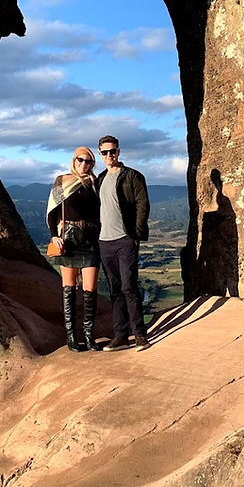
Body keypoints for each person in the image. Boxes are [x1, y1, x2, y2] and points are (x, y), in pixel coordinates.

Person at [96, 135, 151, 352]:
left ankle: (139, 334)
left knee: (129, 287)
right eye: (105, 152)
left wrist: (135, 233)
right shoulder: (99, 179)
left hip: (125, 240)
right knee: (115, 290)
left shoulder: (132, 176)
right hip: (104, 242)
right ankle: (120, 336)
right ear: (100, 154)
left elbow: (142, 204)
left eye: (113, 151)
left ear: (119, 152)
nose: (110, 155)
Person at [46, 146, 103, 351]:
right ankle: (71, 337)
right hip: (68, 239)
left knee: (90, 290)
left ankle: (89, 337)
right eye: (80, 160)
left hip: (90, 240)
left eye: (88, 162)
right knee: (68, 290)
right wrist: (54, 235)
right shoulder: (62, 181)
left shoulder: (96, 184)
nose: (84, 164)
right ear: (74, 160)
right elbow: (52, 212)